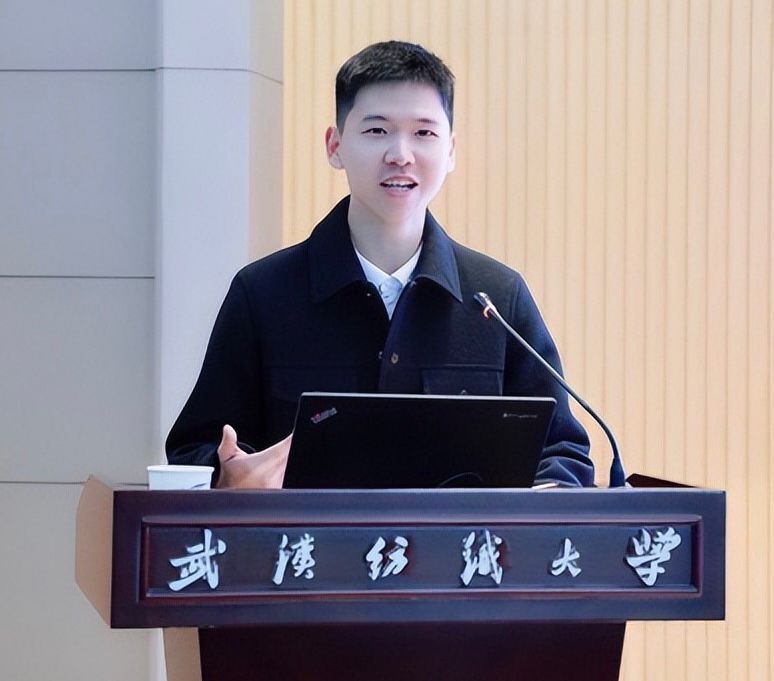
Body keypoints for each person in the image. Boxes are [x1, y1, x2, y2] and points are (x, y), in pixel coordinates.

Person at [166, 41, 594, 489]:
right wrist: (228, 480)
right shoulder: (263, 295)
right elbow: (194, 450)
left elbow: (564, 453)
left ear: (451, 150)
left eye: (424, 133)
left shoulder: (497, 299)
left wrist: (535, 506)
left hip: (460, 539)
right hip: (309, 538)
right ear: (335, 146)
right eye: (376, 130)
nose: (400, 155)